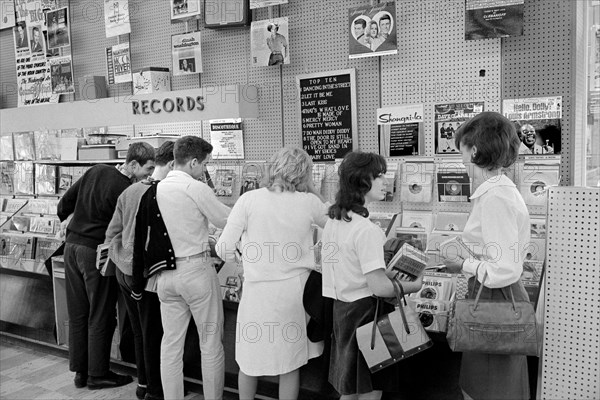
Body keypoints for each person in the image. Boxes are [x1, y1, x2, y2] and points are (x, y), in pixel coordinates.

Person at [216, 147, 329, 400]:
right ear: (304, 173)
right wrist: (313, 191)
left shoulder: (249, 199)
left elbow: (223, 247)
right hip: (294, 292)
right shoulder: (309, 203)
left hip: (257, 291)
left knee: (249, 360)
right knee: (289, 362)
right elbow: (337, 224)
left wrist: (245, 260)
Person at [441, 111, 531, 400]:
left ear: (475, 150)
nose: (462, 160)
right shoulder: (496, 193)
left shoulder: (495, 198)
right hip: (492, 298)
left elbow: (503, 269)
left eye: (463, 151)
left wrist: (462, 262)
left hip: (495, 301)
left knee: (489, 389)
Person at [320, 152, 423, 400]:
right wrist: (415, 285)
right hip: (369, 315)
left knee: (351, 387)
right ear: (361, 180)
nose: (385, 181)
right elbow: (379, 287)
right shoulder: (366, 230)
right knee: (371, 388)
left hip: (343, 312)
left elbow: (342, 267)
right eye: (378, 176)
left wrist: (382, 272)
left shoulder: (334, 221)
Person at [134, 136, 230, 400]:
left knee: (171, 345)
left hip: (165, 276)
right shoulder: (196, 188)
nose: (205, 170)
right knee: (210, 344)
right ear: (195, 161)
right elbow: (226, 220)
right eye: (204, 164)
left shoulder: (155, 189)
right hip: (197, 271)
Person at [56, 142, 156, 390]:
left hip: (71, 248)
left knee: (78, 313)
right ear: (133, 164)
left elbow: (63, 204)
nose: (150, 175)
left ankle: (81, 372)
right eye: (148, 169)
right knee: (101, 313)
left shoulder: (96, 170)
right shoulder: (128, 190)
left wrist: (69, 223)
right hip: (96, 254)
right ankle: (98, 374)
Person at [105, 141, 175, 400]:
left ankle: (143, 384)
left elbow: (112, 231)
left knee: (138, 330)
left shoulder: (130, 191)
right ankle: (156, 390)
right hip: (145, 275)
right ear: (172, 164)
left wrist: (119, 254)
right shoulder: (162, 193)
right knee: (153, 332)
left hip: (124, 270)